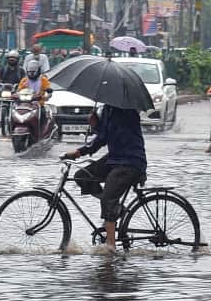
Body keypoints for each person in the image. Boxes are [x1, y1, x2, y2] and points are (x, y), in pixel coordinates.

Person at [62, 105, 147, 253]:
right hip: (115, 159)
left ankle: (111, 246)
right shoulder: (109, 109)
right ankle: (116, 209)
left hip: (130, 162)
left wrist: (79, 151)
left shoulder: (126, 110)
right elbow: (103, 135)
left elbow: (104, 137)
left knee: (107, 199)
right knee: (82, 176)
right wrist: (96, 123)